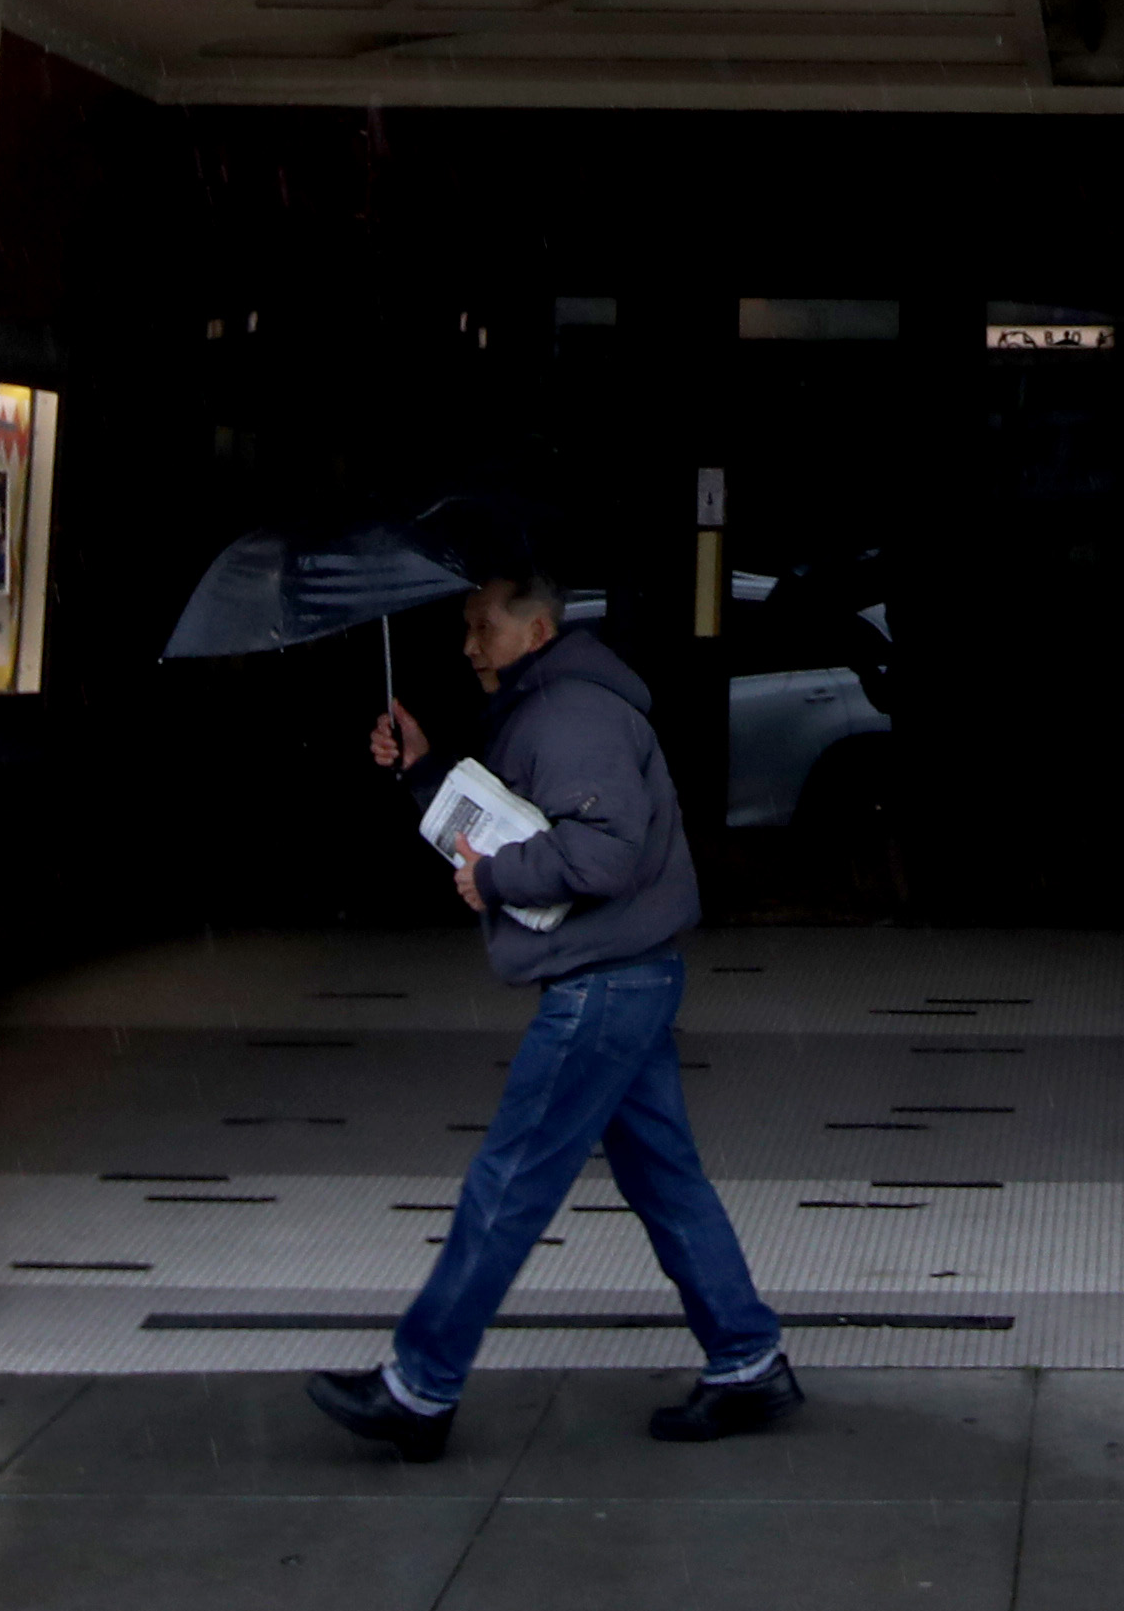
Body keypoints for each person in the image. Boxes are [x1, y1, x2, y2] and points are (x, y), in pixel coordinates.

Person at [304, 515, 794, 1459]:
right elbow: (518, 818)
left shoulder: (569, 714)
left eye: (482, 625)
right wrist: (424, 771)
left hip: (600, 983)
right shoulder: (553, 705)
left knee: (510, 1181)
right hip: (625, 976)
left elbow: (597, 853)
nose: (468, 643)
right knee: (663, 1179)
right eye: (464, 626)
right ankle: (746, 1361)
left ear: (536, 630)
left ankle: (419, 1387)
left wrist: (493, 880)